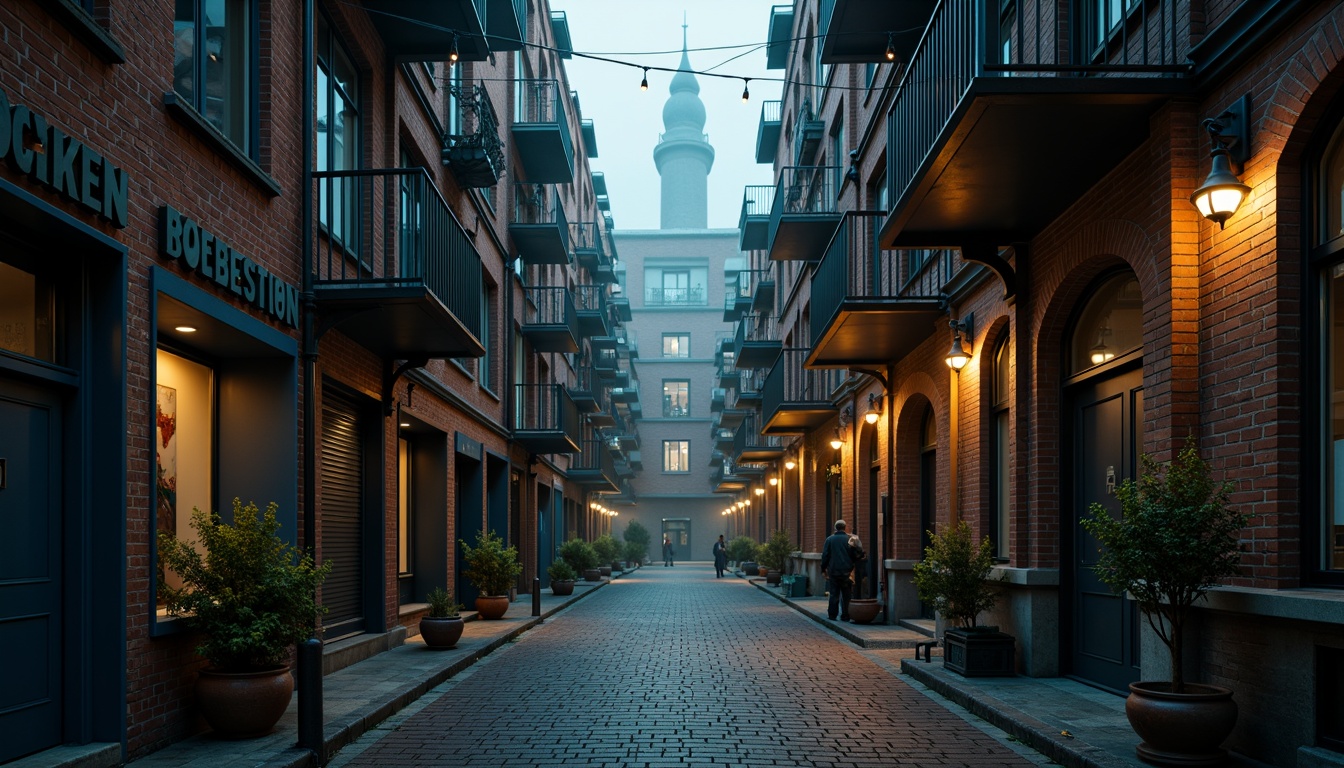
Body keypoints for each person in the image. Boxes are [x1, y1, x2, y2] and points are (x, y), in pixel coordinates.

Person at [821, 520, 854, 621]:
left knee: (834, 593)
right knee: (846, 594)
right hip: (846, 571)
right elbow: (854, 554)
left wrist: (823, 569)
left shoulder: (830, 539)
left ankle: (832, 615)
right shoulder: (849, 539)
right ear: (845, 528)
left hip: (833, 571)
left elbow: (825, 556)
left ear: (835, 528)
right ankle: (846, 615)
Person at [848, 531, 867, 599]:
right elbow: (856, 557)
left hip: (851, 569)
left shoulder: (850, 548)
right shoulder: (854, 549)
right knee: (857, 585)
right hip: (854, 570)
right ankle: (856, 597)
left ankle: (854, 598)